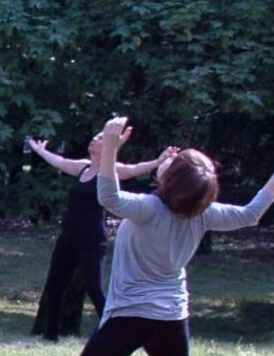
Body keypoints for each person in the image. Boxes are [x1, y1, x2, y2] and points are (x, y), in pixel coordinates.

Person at [67, 116, 274, 356]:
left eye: (173, 163)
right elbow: (252, 214)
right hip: (172, 316)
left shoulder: (148, 209)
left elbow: (108, 195)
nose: (168, 160)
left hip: (131, 314)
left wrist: (111, 148)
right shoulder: (202, 214)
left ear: (171, 181)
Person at [23, 134, 169, 340]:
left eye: (99, 138)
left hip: (92, 239)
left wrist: (159, 161)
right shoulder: (82, 167)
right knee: (55, 287)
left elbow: (135, 169)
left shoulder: (110, 170)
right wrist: (39, 151)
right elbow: (60, 162)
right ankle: (50, 336)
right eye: (93, 138)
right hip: (68, 237)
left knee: (95, 289)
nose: (93, 140)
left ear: (108, 145)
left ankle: (114, 335)